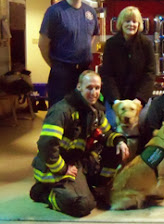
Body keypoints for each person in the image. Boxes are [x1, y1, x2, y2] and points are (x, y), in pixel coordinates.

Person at [29, 70, 129, 217]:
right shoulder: (62, 111)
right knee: (83, 206)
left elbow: (107, 133)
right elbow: (47, 145)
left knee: (115, 148)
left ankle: (95, 187)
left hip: (77, 163)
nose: (94, 92)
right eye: (89, 87)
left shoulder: (95, 111)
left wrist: (120, 141)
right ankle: (45, 193)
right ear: (79, 87)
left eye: (97, 88)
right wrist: (63, 169)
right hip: (54, 169)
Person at [39, 0, 99, 108]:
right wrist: (56, 65)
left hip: (84, 72)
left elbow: (92, 36)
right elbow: (43, 44)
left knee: (84, 112)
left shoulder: (90, 12)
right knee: (59, 112)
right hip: (61, 73)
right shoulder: (54, 12)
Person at [99, 6, 156, 129]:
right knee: (113, 124)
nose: (131, 24)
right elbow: (107, 75)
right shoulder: (111, 44)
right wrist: (116, 101)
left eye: (134, 21)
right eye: (127, 21)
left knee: (141, 125)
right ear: (121, 23)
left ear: (139, 24)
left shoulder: (146, 44)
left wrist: (139, 100)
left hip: (139, 98)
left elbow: (150, 73)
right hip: (116, 98)